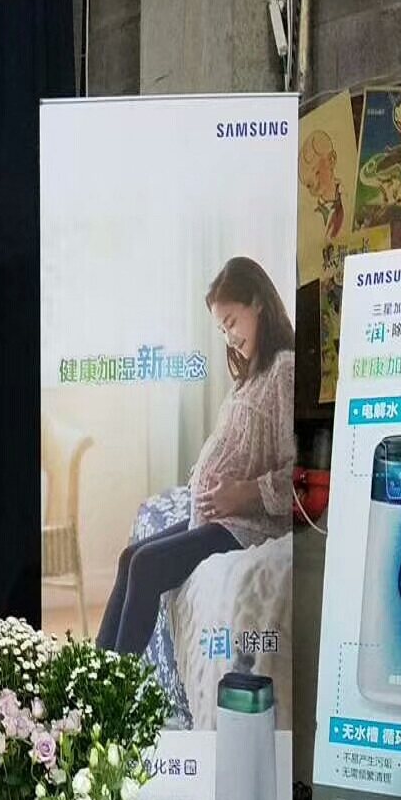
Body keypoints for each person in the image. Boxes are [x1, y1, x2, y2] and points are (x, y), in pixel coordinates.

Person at [97, 256, 295, 655]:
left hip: (248, 524)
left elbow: (296, 473)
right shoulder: (249, 375)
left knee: (147, 566)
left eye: (232, 322)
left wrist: (243, 493)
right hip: (219, 515)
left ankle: (111, 686)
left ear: (258, 303)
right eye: (222, 329)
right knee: (130, 556)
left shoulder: (283, 370)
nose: (229, 337)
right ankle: (92, 676)